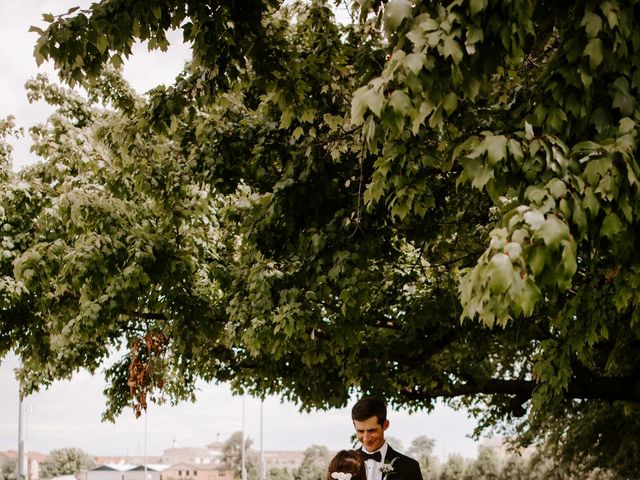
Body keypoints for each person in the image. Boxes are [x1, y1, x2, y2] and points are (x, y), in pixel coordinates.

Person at [351, 396, 423, 480]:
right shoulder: (343, 465)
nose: (366, 439)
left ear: (385, 425)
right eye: (360, 431)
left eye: (372, 431)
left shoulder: (410, 468)